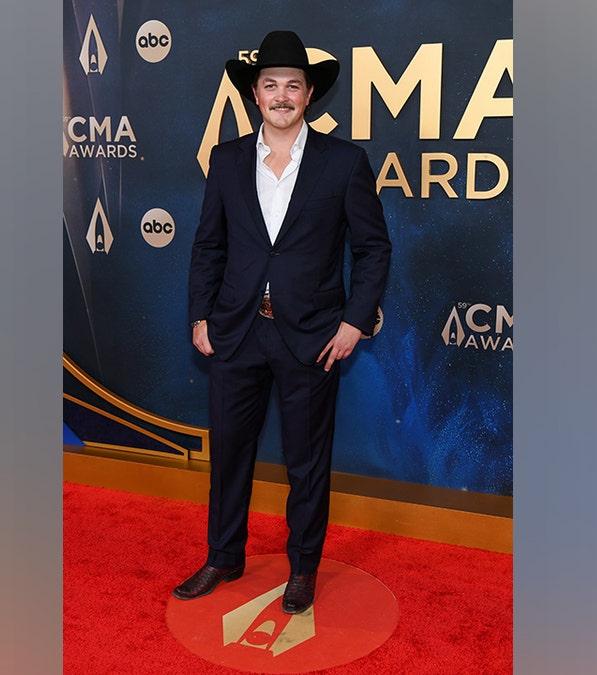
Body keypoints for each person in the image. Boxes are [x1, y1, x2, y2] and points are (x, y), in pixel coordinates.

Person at [175, 30, 392, 614]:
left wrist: (353, 322)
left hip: (313, 337)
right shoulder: (225, 160)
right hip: (235, 331)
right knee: (230, 456)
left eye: (292, 85)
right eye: (270, 84)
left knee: (307, 463)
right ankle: (224, 556)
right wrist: (200, 316)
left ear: (309, 93)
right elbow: (207, 247)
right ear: (254, 93)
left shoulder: (344, 162)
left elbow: (373, 249)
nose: (281, 94)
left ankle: (302, 568)